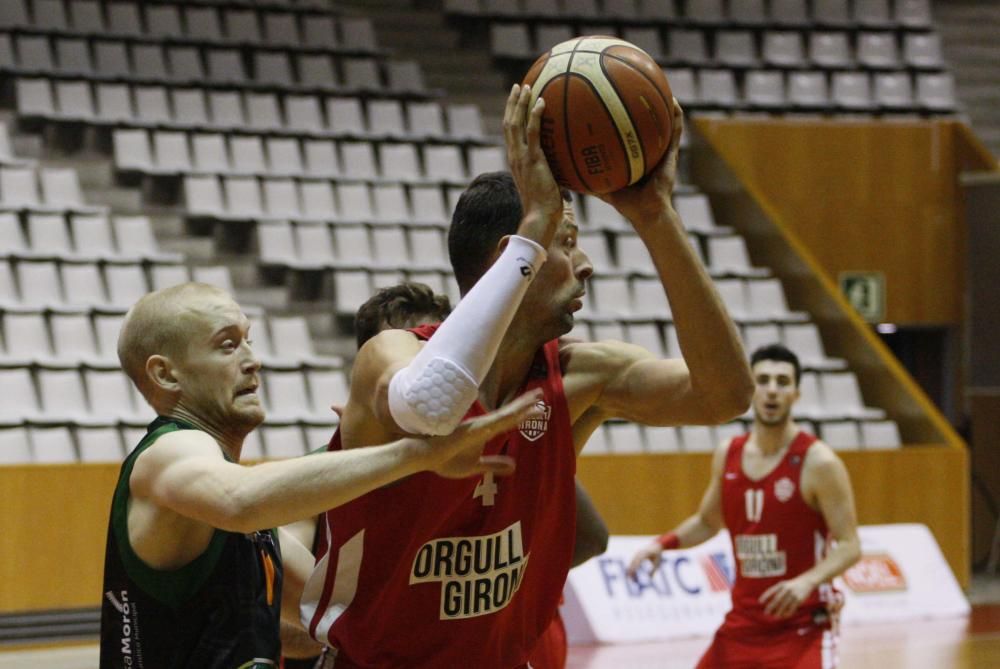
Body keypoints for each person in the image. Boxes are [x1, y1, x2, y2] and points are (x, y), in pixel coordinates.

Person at [301, 84, 752, 668]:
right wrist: (537, 222)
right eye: (567, 243)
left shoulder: (578, 375)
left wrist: (655, 214)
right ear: (510, 255)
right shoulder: (391, 355)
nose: (585, 264)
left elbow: (726, 396)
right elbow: (430, 405)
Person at [99, 282, 544, 668]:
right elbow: (241, 501)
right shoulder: (168, 451)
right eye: (228, 345)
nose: (253, 361)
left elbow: (338, 618)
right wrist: (417, 454)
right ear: (165, 373)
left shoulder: (246, 523)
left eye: (249, 341)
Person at [282, 282, 610, 668]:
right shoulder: (333, 467)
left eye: (439, 350)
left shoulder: (511, 453)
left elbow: (592, 537)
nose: (430, 386)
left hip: (510, 642)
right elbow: (279, 575)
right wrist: (364, 616)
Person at [627, 344, 861, 669]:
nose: (772, 391)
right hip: (744, 625)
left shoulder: (818, 462)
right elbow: (708, 521)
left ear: (796, 393)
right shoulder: (729, 454)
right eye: (763, 380)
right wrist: (662, 544)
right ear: (751, 389)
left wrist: (806, 581)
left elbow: (850, 545)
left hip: (803, 624)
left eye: (783, 382)